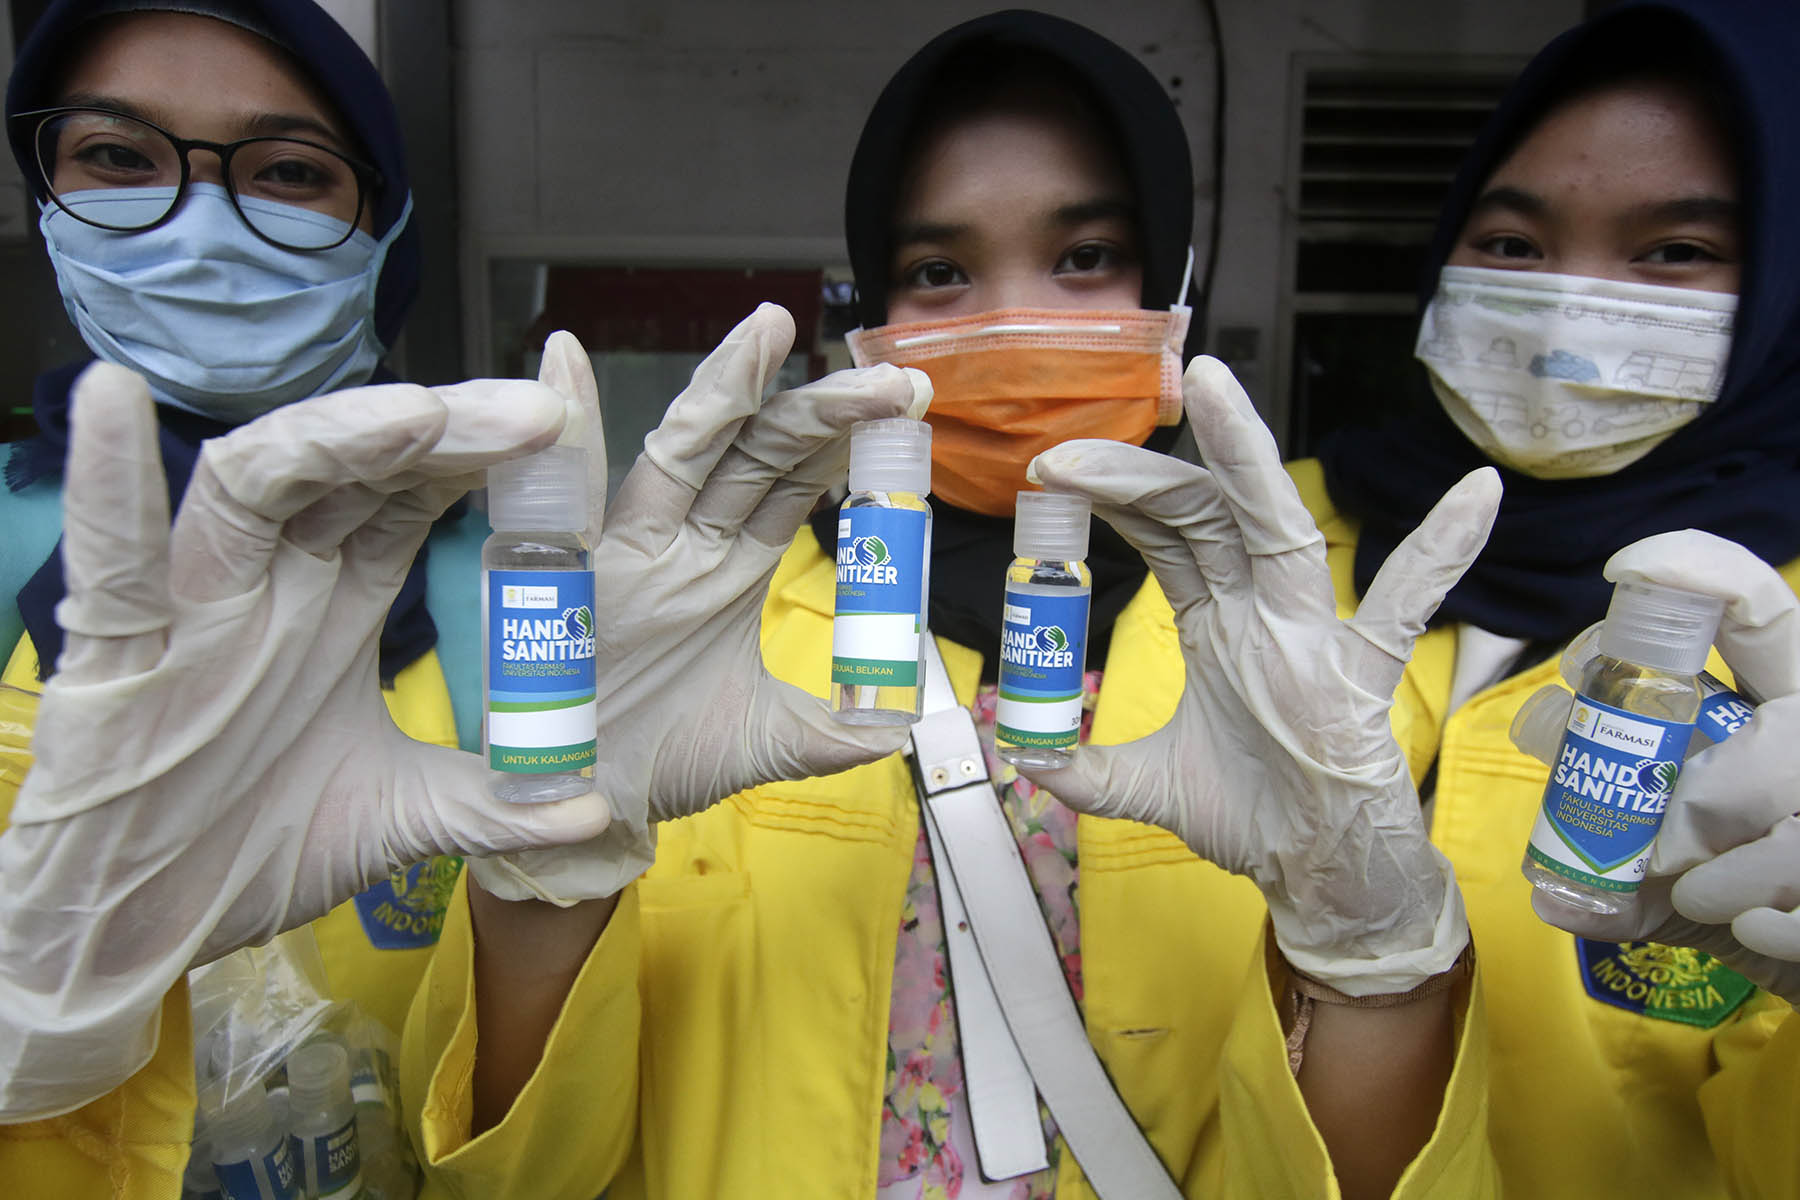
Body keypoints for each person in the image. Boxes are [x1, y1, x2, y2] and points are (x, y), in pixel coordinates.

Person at [408, 5, 1800, 1199]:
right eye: (940, 271)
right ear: (870, 312)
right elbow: (507, 1169)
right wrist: (548, 868)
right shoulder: (706, 631)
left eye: (1084, 258)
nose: (1013, 316)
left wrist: (1373, 962)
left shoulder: (1308, 627)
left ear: (1177, 286)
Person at [0, 1, 922, 1194]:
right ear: (40, 193)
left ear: (386, 234)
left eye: (286, 172)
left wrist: (553, 890)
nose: (200, 222)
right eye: (120, 159)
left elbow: (538, 1176)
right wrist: (38, 1037)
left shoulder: (506, 600)